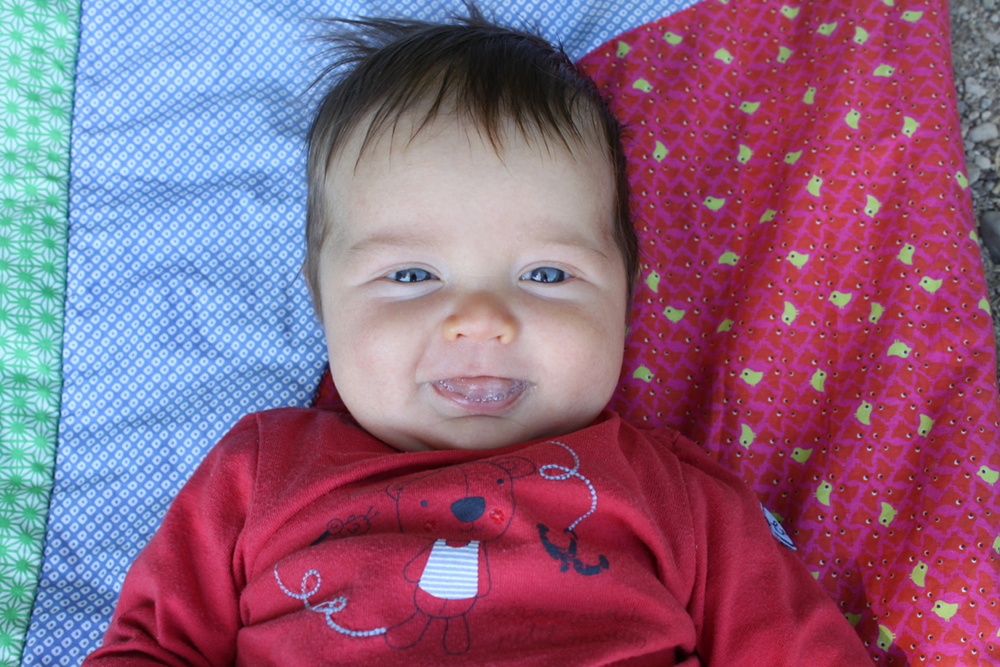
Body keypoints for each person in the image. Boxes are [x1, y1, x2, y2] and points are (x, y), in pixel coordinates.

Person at [84, 4, 873, 665]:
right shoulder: (259, 474)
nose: (481, 320)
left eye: (547, 274)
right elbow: (152, 647)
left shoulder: (677, 495)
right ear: (321, 302)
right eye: (411, 274)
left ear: (628, 298)